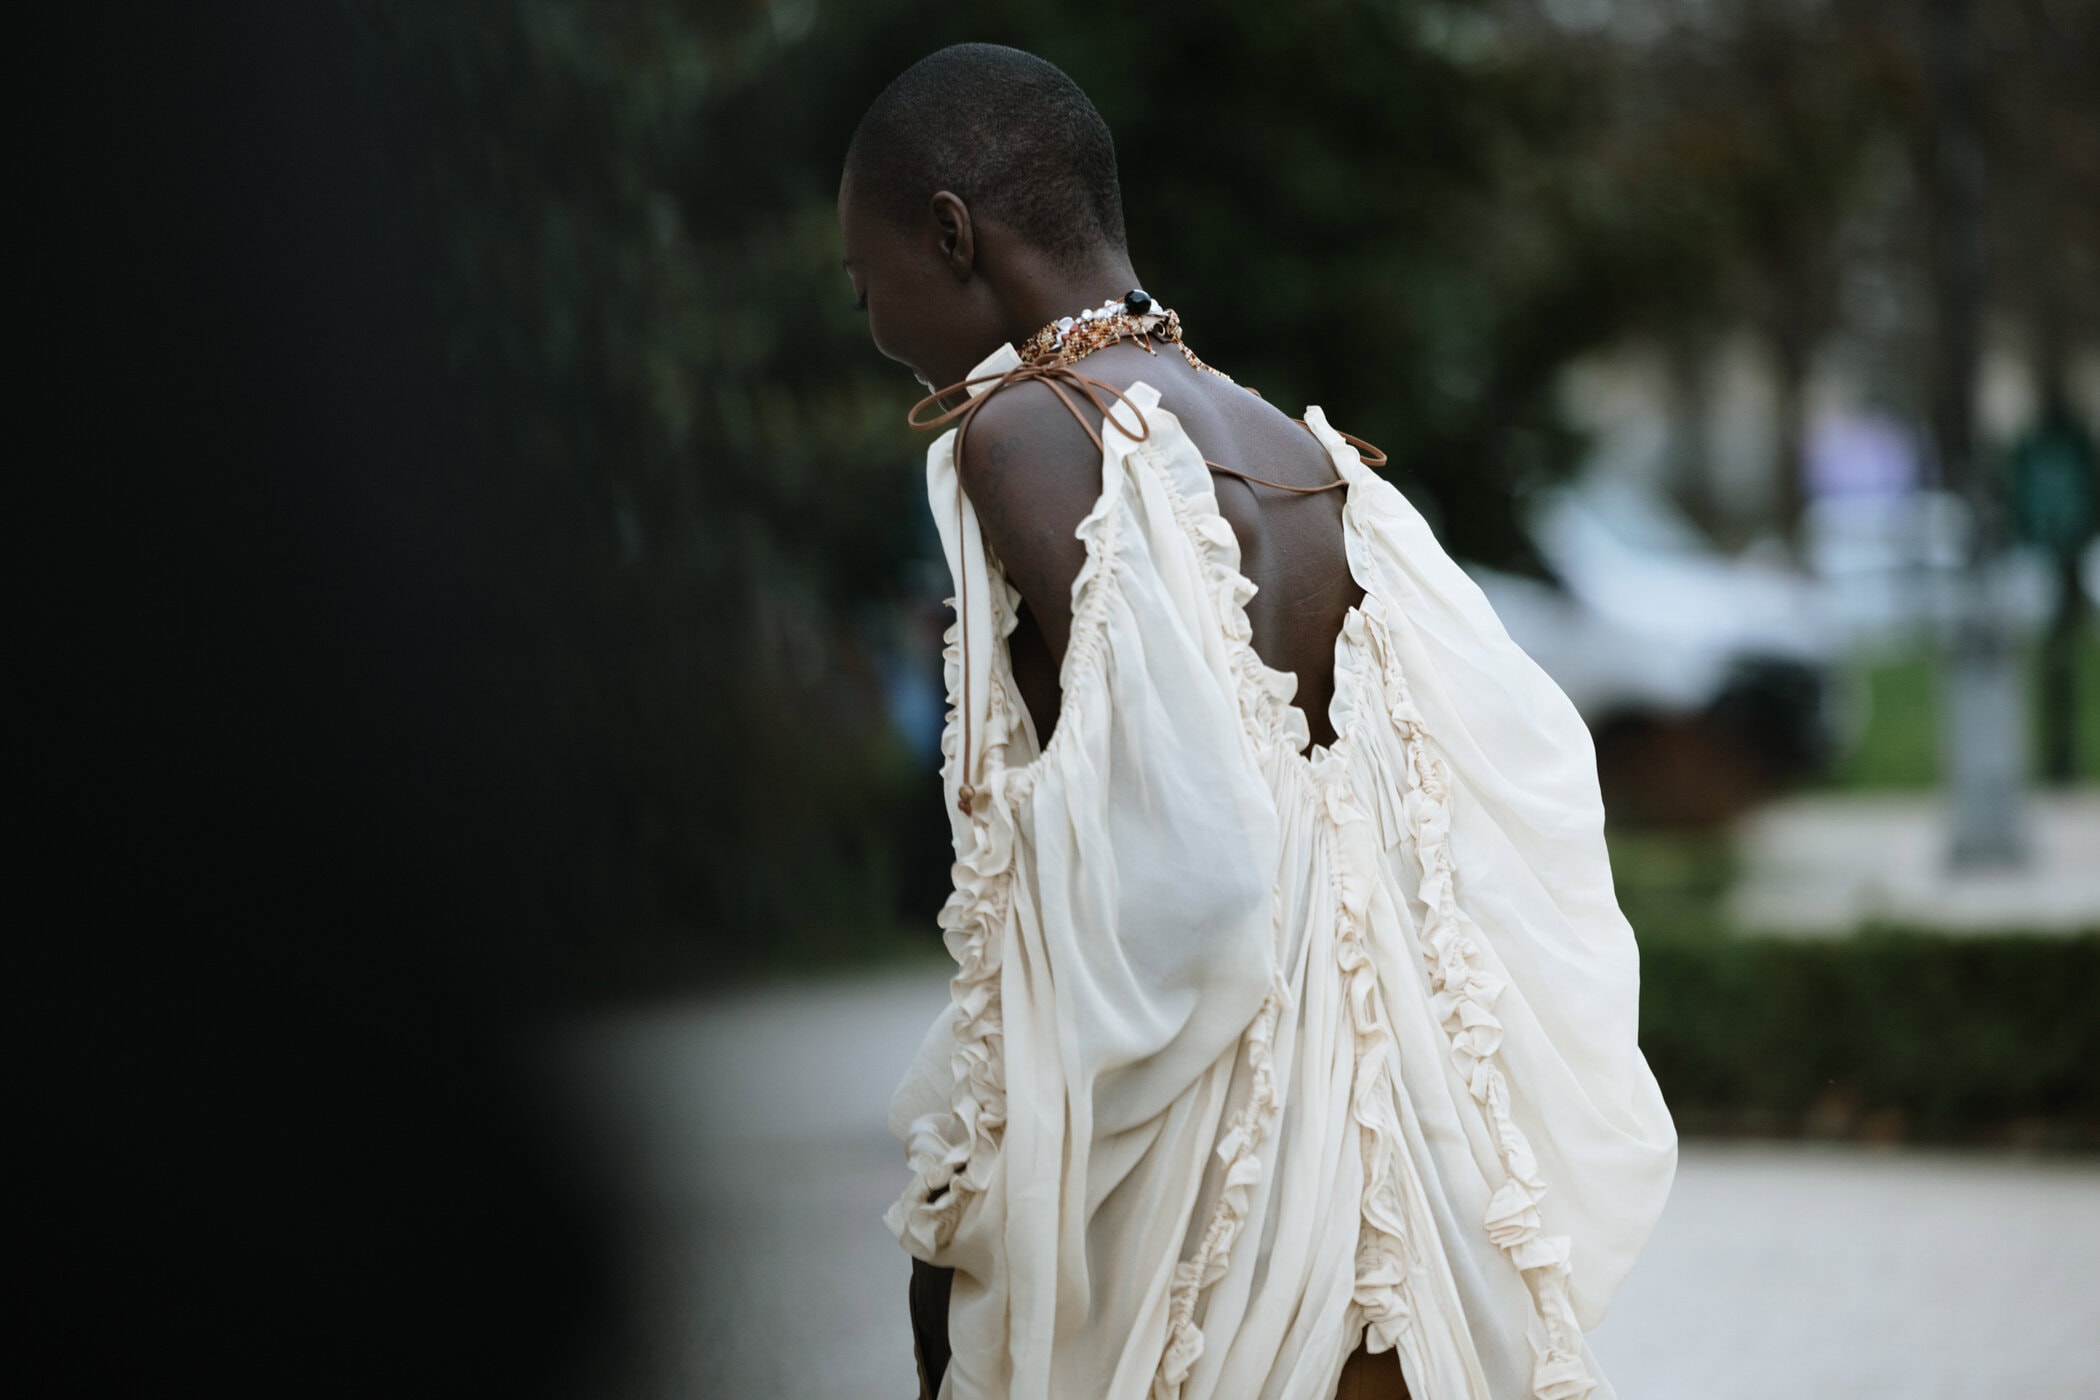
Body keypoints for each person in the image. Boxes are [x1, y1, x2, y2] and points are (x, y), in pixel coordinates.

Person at [839, 43, 1676, 1400]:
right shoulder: (1297, 448)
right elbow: (1475, 770)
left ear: (951, 232)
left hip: (1202, 1138)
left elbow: (1184, 848)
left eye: (863, 274)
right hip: (1384, 1127)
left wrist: (1001, 1169)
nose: (868, 314)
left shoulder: (1027, 434)